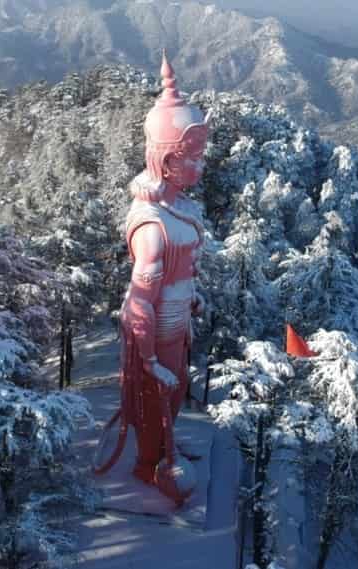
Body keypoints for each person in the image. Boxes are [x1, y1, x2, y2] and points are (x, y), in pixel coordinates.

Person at [94, 51, 208, 506]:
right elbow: (141, 300)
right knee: (153, 398)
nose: (200, 166)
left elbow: (183, 272)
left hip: (177, 323)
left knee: (175, 394)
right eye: (191, 157)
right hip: (155, 330)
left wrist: (191, 301)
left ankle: (167, 448)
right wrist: (147, 359)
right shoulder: (152, 226)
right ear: (166, 159)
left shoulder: (176, 209)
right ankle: (149, 463)